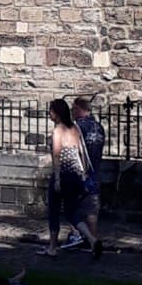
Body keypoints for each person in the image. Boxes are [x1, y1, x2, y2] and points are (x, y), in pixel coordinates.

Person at [39, 99, 103, 260]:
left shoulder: (58, 130)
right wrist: (83, 173)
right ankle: (92, 239)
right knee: (71, 211)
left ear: (56, 113)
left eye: (51, 111)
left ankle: (52, 247)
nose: (49, 114)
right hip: (76, 175)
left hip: (63, 173)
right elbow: (80, 152)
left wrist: (57, 179)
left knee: (54, 210)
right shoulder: (74, 128)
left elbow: (56, 155)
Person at [62, 97, 105, 251]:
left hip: (78, 172)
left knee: (71, 207)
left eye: (73, 109)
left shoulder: (75, 127)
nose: (72, 112)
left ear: (79, 109)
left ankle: (76, 235)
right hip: (95, 172)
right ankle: (92, 240)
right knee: (91, 209)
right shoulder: (99, 127)